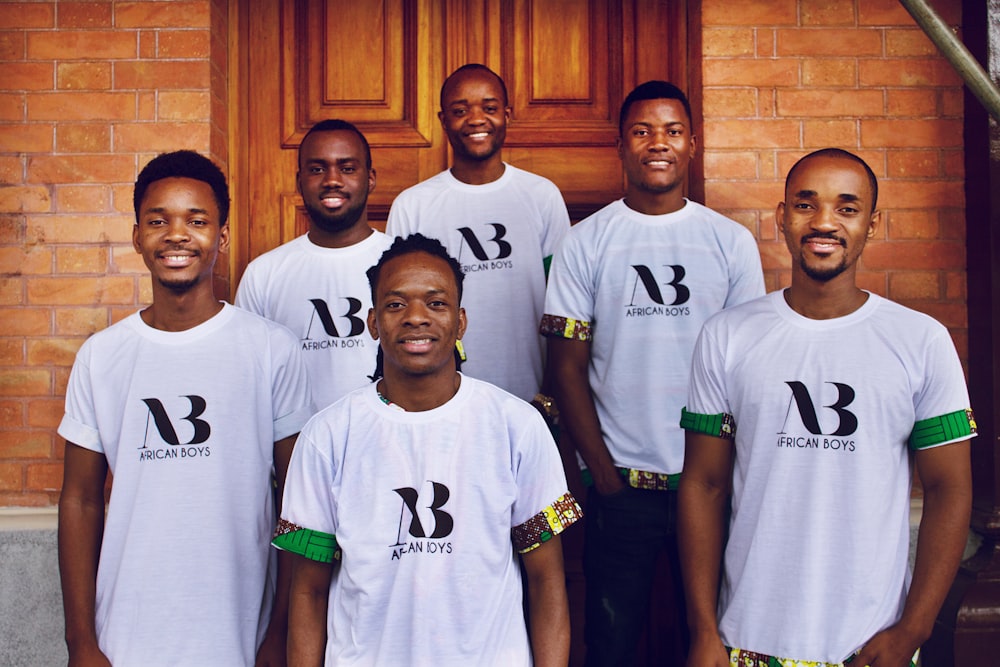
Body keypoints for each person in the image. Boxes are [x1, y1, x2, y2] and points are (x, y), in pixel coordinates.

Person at [679, 148, 975, 667]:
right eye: (805, 204)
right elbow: (704, 484)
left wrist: (913, 628)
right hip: (746, 641)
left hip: (867, 647)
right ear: (781, 217)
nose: (824, 223)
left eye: (847, 207)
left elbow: (950, 488)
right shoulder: (726, 336)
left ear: (872, 223)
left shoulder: (921, 341)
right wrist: (704, 630)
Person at [274, 233, 582, 666]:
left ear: (460, 322)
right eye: (396, 304)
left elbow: (547, 581)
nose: (416, 317)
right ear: (373, 322)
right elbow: (309, 590)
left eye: (435, 303)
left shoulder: (516, 426)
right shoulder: (327, 435)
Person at [57, 151, 313, 666]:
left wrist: (282, 630)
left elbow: (298, 500)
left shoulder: (270, 349)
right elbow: (81, 501)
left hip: (241, 635)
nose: (177, 235)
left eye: (196, 221)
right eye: (158, 221)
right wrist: (81, 640)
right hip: (125, 638)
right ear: (136, 237)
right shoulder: (103, 356)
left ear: (220, 236)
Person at [541, 80, 765, 665]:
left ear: (693, 143)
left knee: (715, 641)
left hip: (714, 487)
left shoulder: (730, 242)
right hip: (623, 487)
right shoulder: (584, 242)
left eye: (671, 131)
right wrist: (604, 480)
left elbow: (750, 369)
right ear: (621, 146)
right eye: (642, 132)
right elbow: (565, 368)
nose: (657, 143)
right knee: (611, 644)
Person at [386, 64, 570, 406]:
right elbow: (393, 311)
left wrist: (555, 393)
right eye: (460, 110)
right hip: (440, 400)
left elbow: (562, 306)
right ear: (443, 121)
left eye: (489, 108)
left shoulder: (541, 196)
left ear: (507, 115)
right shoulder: (414, 205)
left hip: (533, 397)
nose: (475, 119)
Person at [236, 119, 392, 408]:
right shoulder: (264, 274)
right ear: (299, 181)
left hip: (389, 445)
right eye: (317, 169)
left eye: (347, 168)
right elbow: (249, 383)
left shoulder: (403, 263)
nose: (332, 180)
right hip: (297, 448)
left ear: (370, 178)